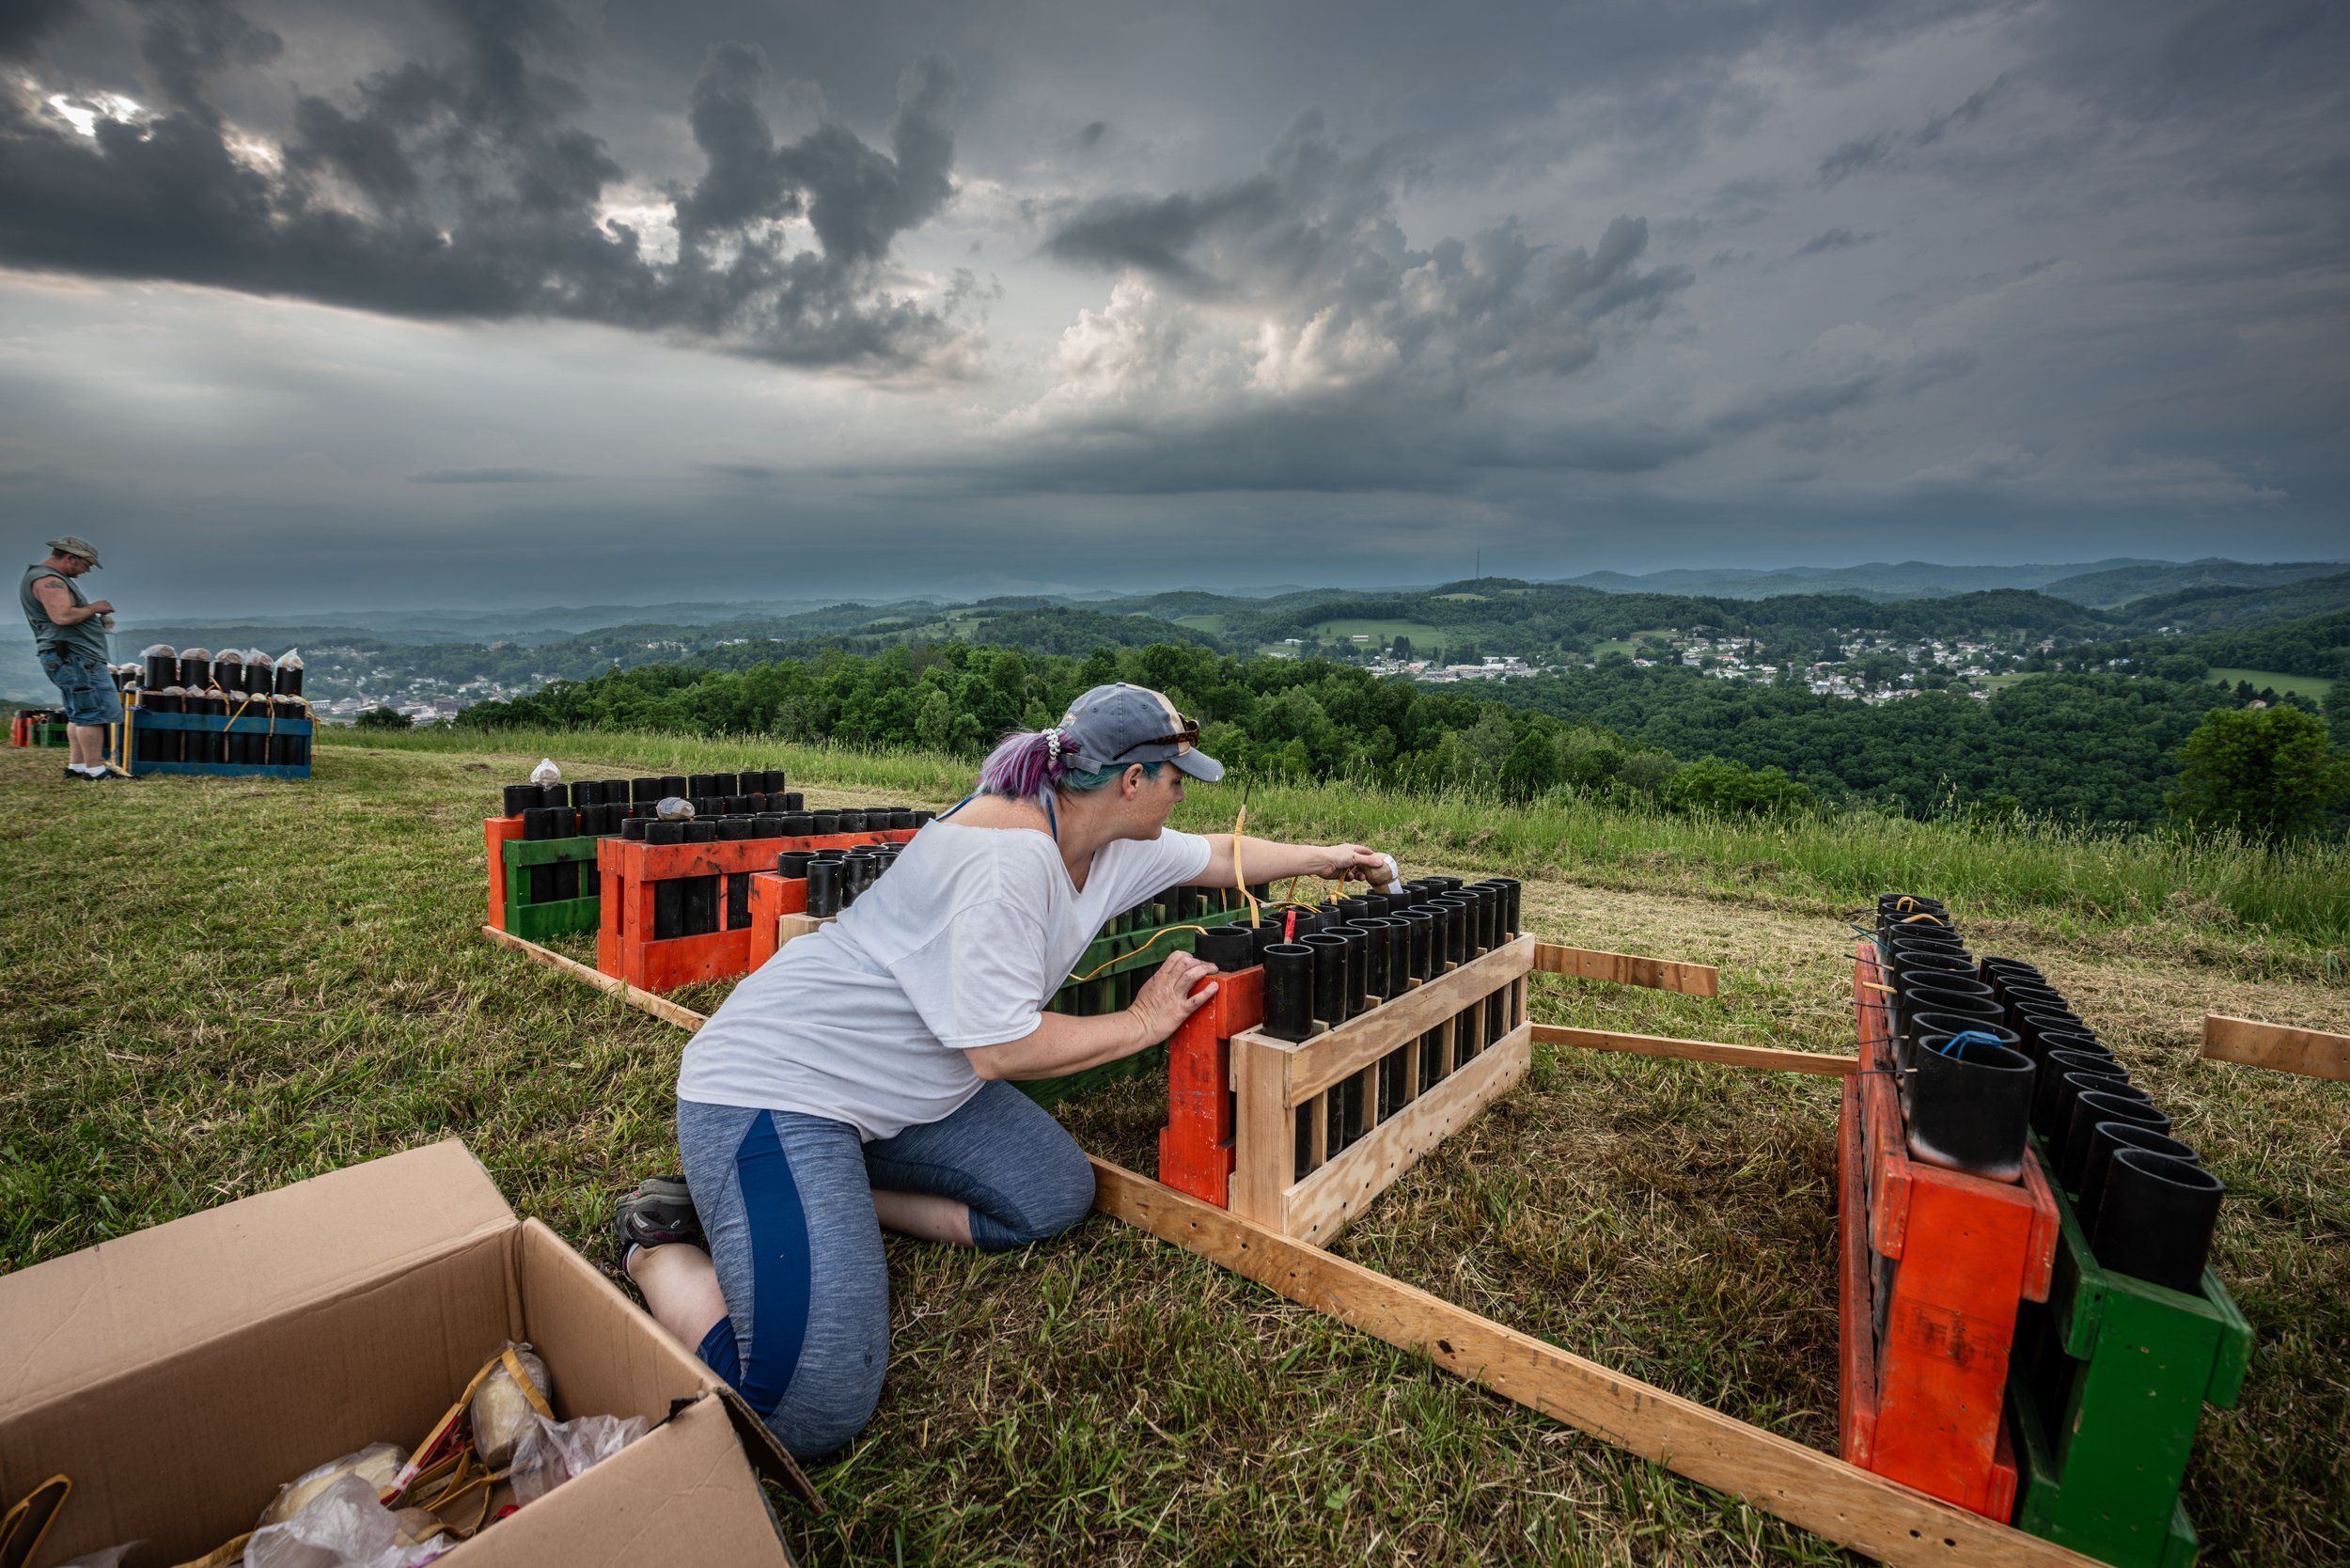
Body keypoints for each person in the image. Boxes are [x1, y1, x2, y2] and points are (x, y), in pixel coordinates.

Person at [614, 682, 1389, 1459]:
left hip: (903, 1093)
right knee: (807, 1410)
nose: (1184, 793)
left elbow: (1221, 854)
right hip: (775, 1088)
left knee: (1051, 1193)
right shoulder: (1005, 865)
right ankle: (659, 1242)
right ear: (1132, 781)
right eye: (1177, 777)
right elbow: (1001, 1050)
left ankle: (835, 1192)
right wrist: (1140, 1024)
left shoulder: (1095, 835)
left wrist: (1330, 860)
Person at [20, 537, 120, 780]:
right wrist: (95, 607)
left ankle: (77, 766)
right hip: (73, 655)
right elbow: (62, 616)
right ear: (70, 558)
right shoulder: (50, 580)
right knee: (92, 712)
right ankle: (95, 771)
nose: (87, 570)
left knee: (78, 711)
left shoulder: (47, 578)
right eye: (86, 564)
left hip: (68, 655)